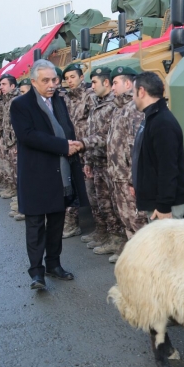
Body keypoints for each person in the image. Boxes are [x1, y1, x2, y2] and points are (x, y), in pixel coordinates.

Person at [10, 59, 88, 290]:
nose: (52, 84)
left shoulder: (59, 102)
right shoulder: (21, 105)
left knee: (56, 223)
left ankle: (54, 265)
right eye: (46, 80)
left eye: (54, 79)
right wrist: (64, 146)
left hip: (60, 173)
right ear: (33, 82)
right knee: (35, 225)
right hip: (36, 175)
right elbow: (28, 136)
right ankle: (37, 273)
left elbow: (66, 130)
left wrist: (72, 146)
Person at [76, 66, 125, 256]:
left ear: (106, 82)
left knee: (115, 204)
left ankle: (118, 240)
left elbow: (106, 135)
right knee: (99, 201)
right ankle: (105, 233)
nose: (92, 86)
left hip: (110, 162)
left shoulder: (114, 105)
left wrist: (82, 144)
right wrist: (87, 160)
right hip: (96, 160)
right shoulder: (96, 102)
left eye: (94, 82)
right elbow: (90, 131)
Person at [131, 71, 184, 220]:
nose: (132, 98)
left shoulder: (162, 123)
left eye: (133, 92)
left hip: (166, 207)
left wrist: (163, 206)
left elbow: (168, 168)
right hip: (158, 202)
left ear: (141, 91)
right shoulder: (152, 118)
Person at [106, 66, 147, 263]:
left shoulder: (135, 108)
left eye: (115, 83)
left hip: (129, 179)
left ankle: (146, 263)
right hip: (118, 175)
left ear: (128, 84)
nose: (112, 87)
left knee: (138, 222)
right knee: (127, 221)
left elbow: (136, 147)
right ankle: (134, 260)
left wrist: (134, 181)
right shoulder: (119, 108)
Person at [61, 63, 95, 239]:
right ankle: (72, 223)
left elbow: (94, 124)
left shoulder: (90, 97)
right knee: (72, 186)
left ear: (82, 77)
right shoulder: (66, 98)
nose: (69, 81)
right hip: (72, 150)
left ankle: (102, 230)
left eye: (72, 77)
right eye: (67, 79)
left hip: (87, 149)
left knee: (93, 192)